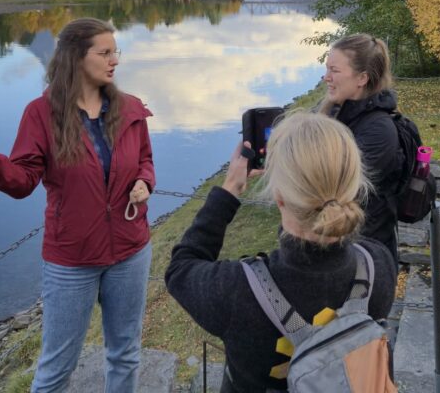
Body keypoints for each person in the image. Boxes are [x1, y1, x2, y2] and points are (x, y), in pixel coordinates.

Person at [0, 18, 155, 393]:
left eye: (117, 52)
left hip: (131, 251)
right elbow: (21, 181)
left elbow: (144, 159)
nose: (116, 61)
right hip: (72, 260)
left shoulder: (129, 109)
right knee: (56, 369)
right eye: (106, 52)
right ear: (77, 57)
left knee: (125, 352)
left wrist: (144, 181)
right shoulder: (41, 113)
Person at [165, 111, 397, 392]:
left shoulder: (235, 291)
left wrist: (229, 190)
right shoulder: (378, 266)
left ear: (279, 196)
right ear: (353, 186)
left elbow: (181, 268)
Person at [320, 34, 403, 261]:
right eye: (327, 69)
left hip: (365, 255)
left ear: (362, 78)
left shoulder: (379, 130)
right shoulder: (337, 113)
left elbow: (338, 187)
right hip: (335, 246)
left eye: (334, 71)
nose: (326, 77)